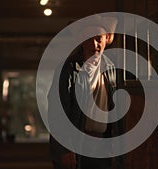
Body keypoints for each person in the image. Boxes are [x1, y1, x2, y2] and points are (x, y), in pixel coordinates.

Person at [49, 15, 122, 169]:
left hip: (103, 145)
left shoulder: (112, 69)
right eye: (89, 39)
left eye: (99, 38)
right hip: (77, 145)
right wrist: (65, 149)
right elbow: (57, 113)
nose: (95, 44)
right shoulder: (68, 70)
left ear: (106, 39)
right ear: (82, 40)